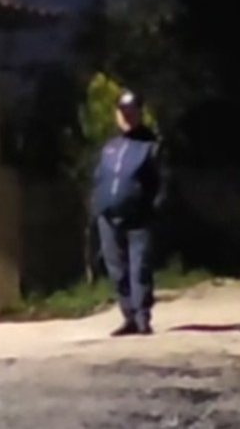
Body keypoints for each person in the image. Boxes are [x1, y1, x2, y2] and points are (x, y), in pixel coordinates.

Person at [92, 90, 167, 337]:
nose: (126, 118)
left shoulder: (150, 145)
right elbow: (99, 178)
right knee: (117, 269)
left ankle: (142, 316)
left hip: (139, 217)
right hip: (108, 216)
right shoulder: (110, 147)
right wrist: (97, 208)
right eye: (122, 113)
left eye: (131, 112)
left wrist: (154, 208)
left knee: (139, 268)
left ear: (139, 113)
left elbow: (162, 181)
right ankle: (129, 316)